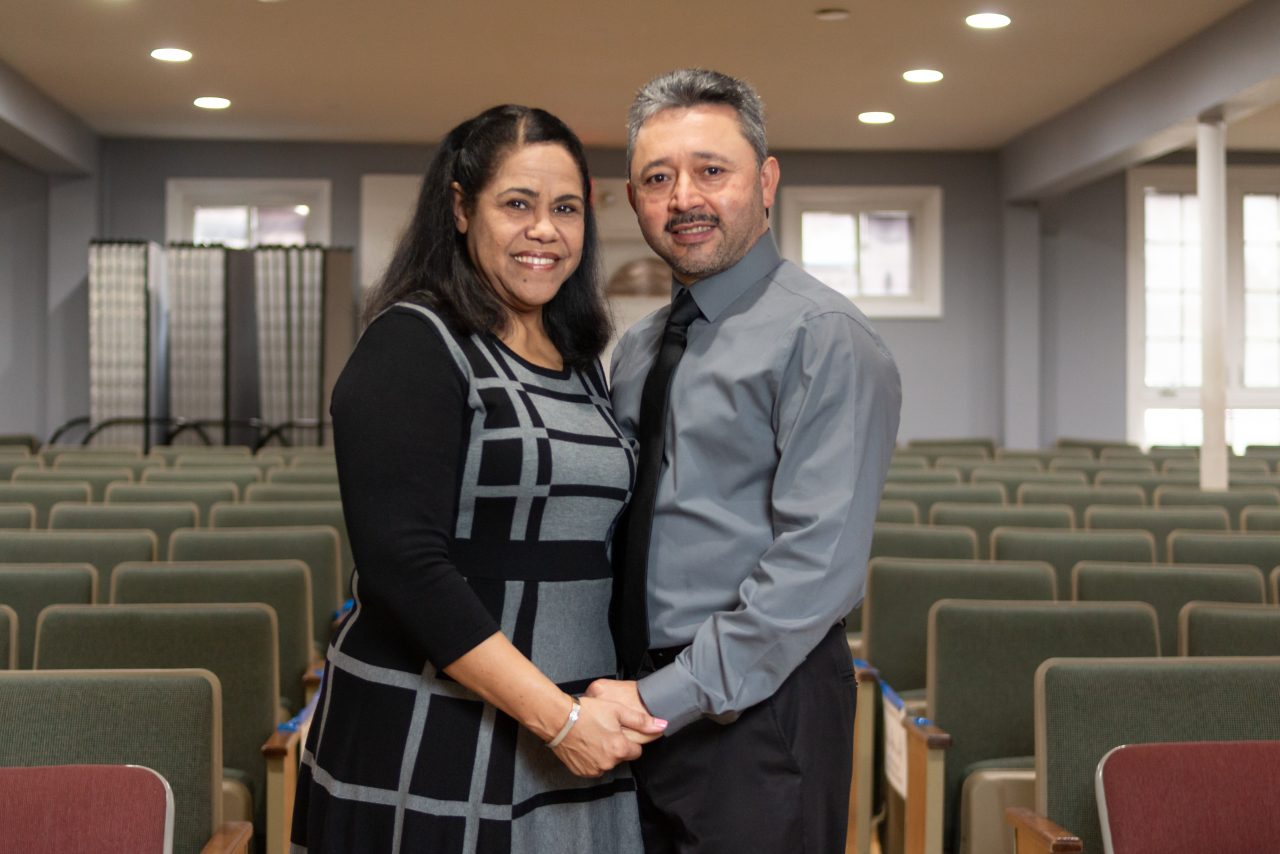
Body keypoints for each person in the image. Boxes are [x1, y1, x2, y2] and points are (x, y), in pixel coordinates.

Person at [291, 104, 665, 853]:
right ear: (461, 209)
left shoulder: (579, 358)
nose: (545, 231)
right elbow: (405, 568)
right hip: (442, 728)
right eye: (517, 204)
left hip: (575, 724)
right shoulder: (413, 342)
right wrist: (554, 719)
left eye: (565, 209)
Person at [590, 69, 902, 852]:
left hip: (760, 720)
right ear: (633, 200)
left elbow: (815, 569)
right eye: (657, 178)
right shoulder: (635, 349)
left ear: (766, 182)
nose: (683, 197)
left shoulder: (825, 337)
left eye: (711, 170)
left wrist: (662, 696)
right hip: (632, 711)